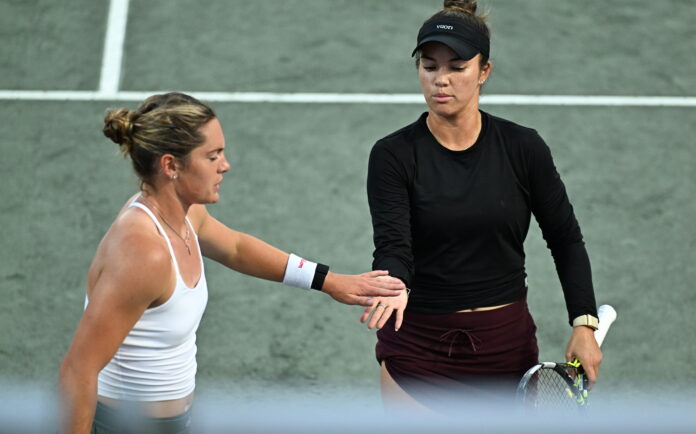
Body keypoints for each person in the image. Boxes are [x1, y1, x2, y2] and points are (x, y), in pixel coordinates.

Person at [58, 92, 406, 433]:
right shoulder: (143, 251)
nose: (225, 165)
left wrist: (329, 281)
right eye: (212, 156)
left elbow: (236, 248)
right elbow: (79, 369)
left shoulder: (184, 214)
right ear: (171, 165)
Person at [360, 0, 602, 411]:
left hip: (503, 346)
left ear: (483, 71)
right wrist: (395, 286)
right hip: (419, 345)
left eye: (457, 67)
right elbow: (393, 245)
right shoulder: (393, 155)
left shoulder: (523, 148)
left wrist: (584, 323)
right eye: (429, 65)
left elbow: (565, 239)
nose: (441, 80)